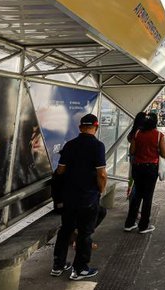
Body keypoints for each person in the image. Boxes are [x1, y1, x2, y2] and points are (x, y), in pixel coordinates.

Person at [51, 114, 107, 280]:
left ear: (80, 127)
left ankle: (58, 266)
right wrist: (100, 190)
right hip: (88, 197)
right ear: (96, 127)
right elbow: (102, 174)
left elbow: (60, 171)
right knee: (85, 233)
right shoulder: (98, 146)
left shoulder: (70, 145)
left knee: (65, 230)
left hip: (69, 197)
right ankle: (80, 269)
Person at [124, 112, 165, 234]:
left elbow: (132, 151)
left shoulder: (137, 134)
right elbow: (164, 154)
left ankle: (129, 223)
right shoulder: (159, 135)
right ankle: (143, 226)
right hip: (150, 169)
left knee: (137, 195)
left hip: (137, 167)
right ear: (155, 124)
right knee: (147, 197)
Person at [126, 112, 148, 198]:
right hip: (140, 158)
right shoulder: (142, 131)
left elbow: (129, 139)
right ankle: (133, 197)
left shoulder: (134, 129)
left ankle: (130, 194)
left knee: (132, 177)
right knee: (138, 180)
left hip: (133, 157)